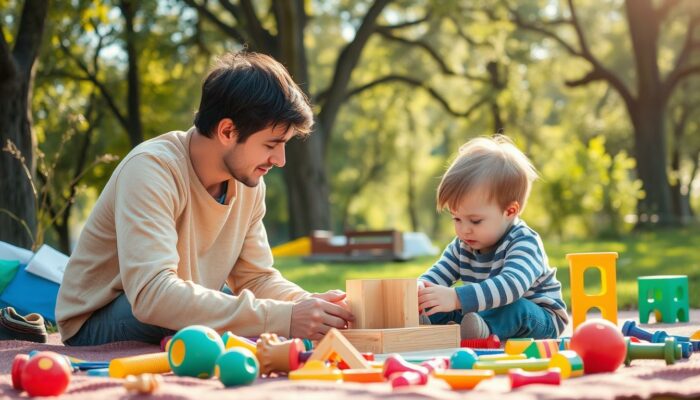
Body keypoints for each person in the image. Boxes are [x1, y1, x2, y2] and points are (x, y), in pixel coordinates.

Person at [56, 52, 354, 346]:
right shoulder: (151, 170)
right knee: (233, 318)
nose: (280, 159)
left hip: (170, 302)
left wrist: (308, 306)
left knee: (235, 313)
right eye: (271, 144)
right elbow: (152, 297)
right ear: (227, 130)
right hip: (101, 320)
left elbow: (255, 279)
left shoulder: (248, 181)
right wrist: (283, 317)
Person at [417, 135, 568, 340]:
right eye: (456, 219)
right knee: (436, 299)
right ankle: (437, 323)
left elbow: (512, 286)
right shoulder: (462, 246)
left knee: (514, 307)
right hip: (481, 313)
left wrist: (456, 297)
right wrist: (420, 289)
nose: (464, 230)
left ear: (510, 211)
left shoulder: (524, 241)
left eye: (475, 221)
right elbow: (437, 274)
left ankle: (479, 330)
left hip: (539, 318)